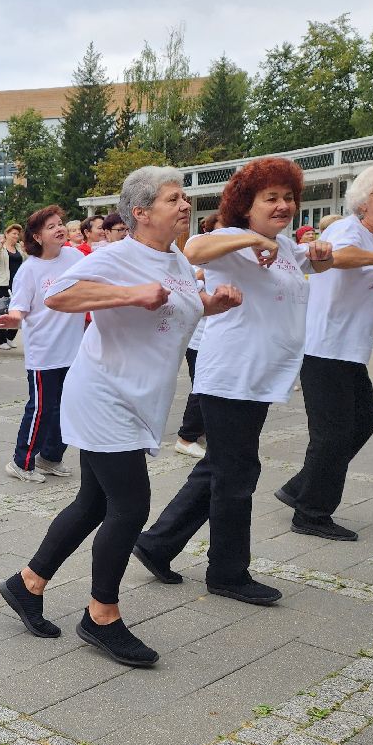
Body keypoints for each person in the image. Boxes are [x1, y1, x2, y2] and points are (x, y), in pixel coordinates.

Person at [0, 167, 242, 668]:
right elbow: (58, 297)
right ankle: (101, 615)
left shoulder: (173, 255)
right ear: (141, 211)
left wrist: (211, 305)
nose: (184, 205)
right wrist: (130, 294)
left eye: (184, 197)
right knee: (130, 506)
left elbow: (174, 308)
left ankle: (27, 583)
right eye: (173, 198)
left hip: (138, 396)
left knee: (93, 501)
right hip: (105, 393)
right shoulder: (116, 256)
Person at [134, 158, 334, 605]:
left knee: (221, 466)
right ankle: (227, 572)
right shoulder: (229, 238)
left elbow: (317, 262)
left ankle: (157, 544)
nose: (283, 205)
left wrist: (323, 253)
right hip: (232, 376)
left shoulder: (282, 246)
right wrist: (252, 237)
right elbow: (195, 250)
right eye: (271, 198)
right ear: (248, 205)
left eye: (288, 197)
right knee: (237, 474)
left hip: (259, 377)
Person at [277, 164, 373, 542]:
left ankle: (301, 487)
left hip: (350, 351)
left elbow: (372, 281)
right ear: (363, 199)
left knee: (364, 421)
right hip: (324, 348)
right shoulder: (347, 231)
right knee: (332, 435)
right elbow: (337, 257)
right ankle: (311, 513)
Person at [0, 206, 86, 483]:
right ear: (36, 236)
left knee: (68, 406)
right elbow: (20, 308)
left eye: (60, 223)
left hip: (74, 350)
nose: (59, 229)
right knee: (42, 409)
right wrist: (13, 318)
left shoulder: (74, 256)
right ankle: (21, 462)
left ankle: (50, 458)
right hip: (45, 352)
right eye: (51, 226)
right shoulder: (30, 269)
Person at [173, 213, 222, 459]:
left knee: (209, 386)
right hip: (200, 336)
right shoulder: (197, 249)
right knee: (203, 387)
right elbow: (190, 288)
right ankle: (186, 436)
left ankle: (201, 430)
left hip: (220, 335)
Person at [0, 223, 24, 349]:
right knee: (2, 311)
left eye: (18, 234)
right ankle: (1, 341)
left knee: (19, 310)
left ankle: (10, 337)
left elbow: (27, 261)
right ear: (6, 234)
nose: (16, 236)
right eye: (13, 233)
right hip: (2, 283)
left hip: (18, 283)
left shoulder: (19, 247)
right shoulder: (0, 247)